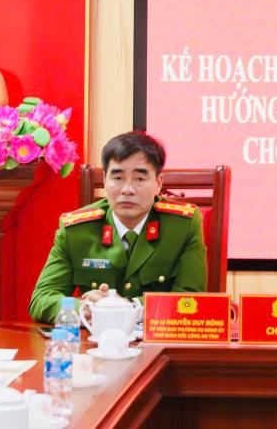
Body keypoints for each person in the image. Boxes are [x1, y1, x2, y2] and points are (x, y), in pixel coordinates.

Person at [29, 131, 207, 323]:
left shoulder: (182, 226)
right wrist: (85, 308)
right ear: (105, 181)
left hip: (157, 338)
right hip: (96, 339)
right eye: (118, 178)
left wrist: (128, 307)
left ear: (158, 183)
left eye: (139, 179)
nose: (127, 189)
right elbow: (41, 299)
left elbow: (190, 299)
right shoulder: (76, 230)